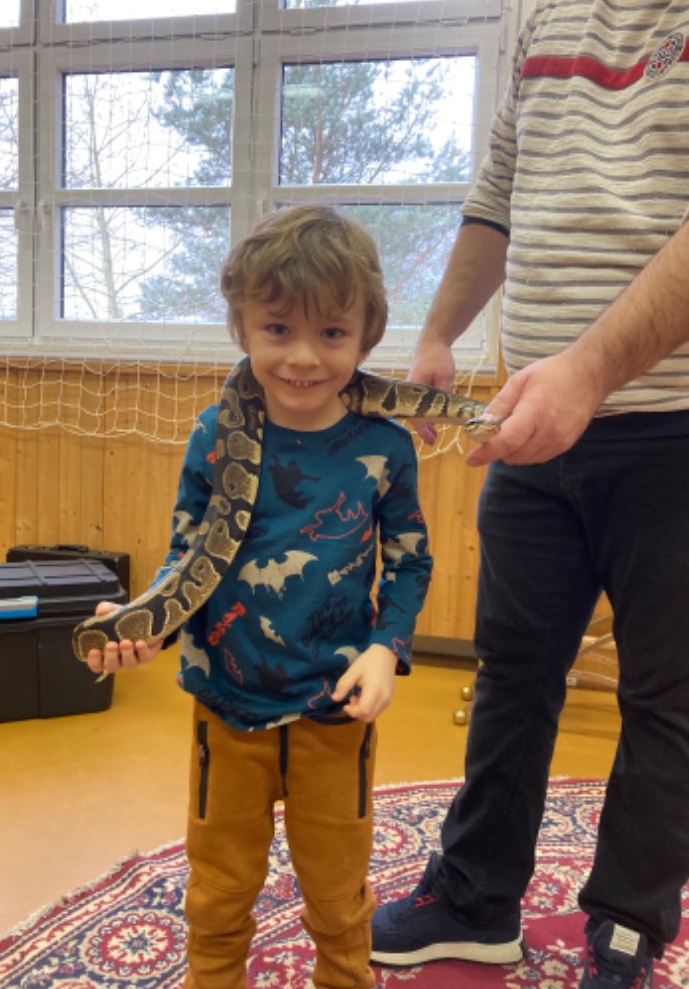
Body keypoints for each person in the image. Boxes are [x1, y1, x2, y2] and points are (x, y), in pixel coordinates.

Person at [369, 0, 689, 988]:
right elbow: (498, 194)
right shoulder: (550, 11)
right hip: (532, 421)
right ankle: (474, 900)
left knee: (671, 693)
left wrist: (588, 373)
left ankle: (628, 926)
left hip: (685, 426)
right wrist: (438, 333)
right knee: (511, 675)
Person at [85, 204, 433, 989]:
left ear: (366, 337)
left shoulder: (385, 447)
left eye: (332, 333)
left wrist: (387, 648)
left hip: (333, 709)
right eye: (278, 329)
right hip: (225, 702)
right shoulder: (215, 434)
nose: (303, 356)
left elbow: (410, 561)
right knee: (217, 890)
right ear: (242, 326)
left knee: (338, 895)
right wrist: (145, 623)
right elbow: (187, 553)